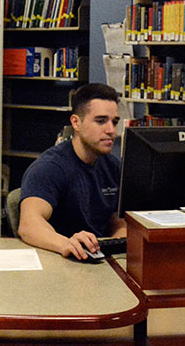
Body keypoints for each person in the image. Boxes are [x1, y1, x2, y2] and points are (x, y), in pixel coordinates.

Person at [17, 83, 125, 261]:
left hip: (98, 260)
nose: (111, 131)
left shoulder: (112, 165)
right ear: (76, 122)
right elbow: (29, 225)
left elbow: (117, 220)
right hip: (61, 260)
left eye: (114, 122)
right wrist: (66, 244)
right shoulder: (49, 167)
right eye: (100, 121)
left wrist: (116, 243)